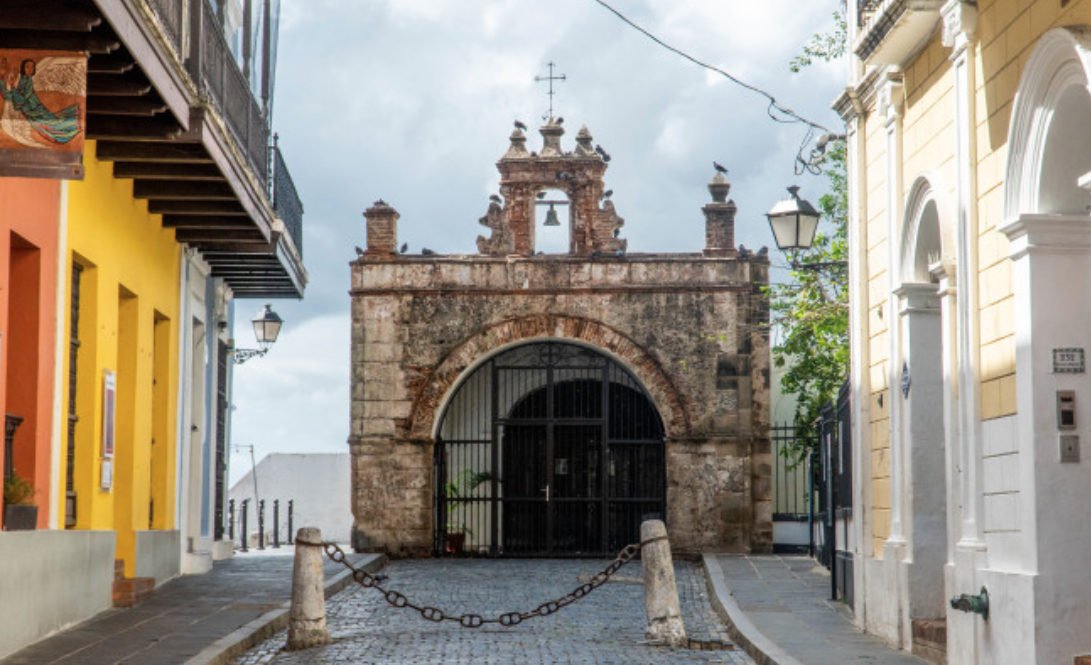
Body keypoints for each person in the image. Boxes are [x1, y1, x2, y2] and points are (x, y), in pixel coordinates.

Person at [0, 59, 80, 144]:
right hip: (30, 109)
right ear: (23, 68)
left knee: (52, 124)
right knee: (50, 125)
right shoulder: (23, 79)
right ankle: (73, 126)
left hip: (35, 109)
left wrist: (12, 87)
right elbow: (10, 96)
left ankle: (73, 126)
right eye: (27, 66)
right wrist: (2, 80)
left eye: (32, 67)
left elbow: (22, 99)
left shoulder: (28, 80)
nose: (30, 69)